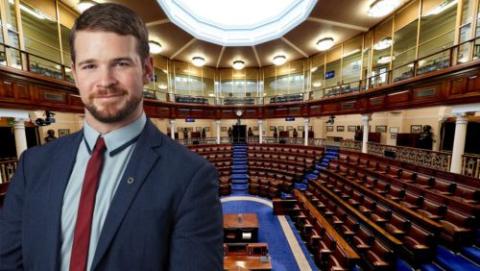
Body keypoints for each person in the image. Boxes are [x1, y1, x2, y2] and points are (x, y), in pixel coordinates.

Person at [0, 3, 223, 271]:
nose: (104, 81)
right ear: (75, 74)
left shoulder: (191, 176)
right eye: (90, 65)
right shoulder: (32, 165)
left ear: (147, 69)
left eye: (120, 63)